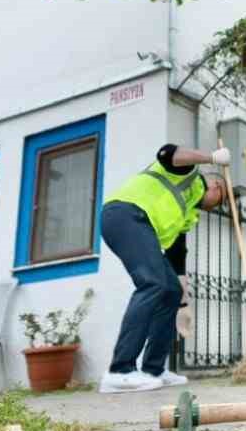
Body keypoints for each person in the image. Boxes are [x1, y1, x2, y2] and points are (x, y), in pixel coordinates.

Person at [97, 144, 232, 393]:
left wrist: (183, 302)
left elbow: (176, 255)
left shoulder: (188, 211)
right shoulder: (188, 175)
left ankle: (153, 369)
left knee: (170, 291)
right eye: (221, 200)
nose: (216, 206)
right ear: (215, 186)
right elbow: (168, 152)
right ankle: (119, 371)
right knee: (152, 284)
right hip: (125, 214)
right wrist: (211, 157)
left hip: (139, 224)